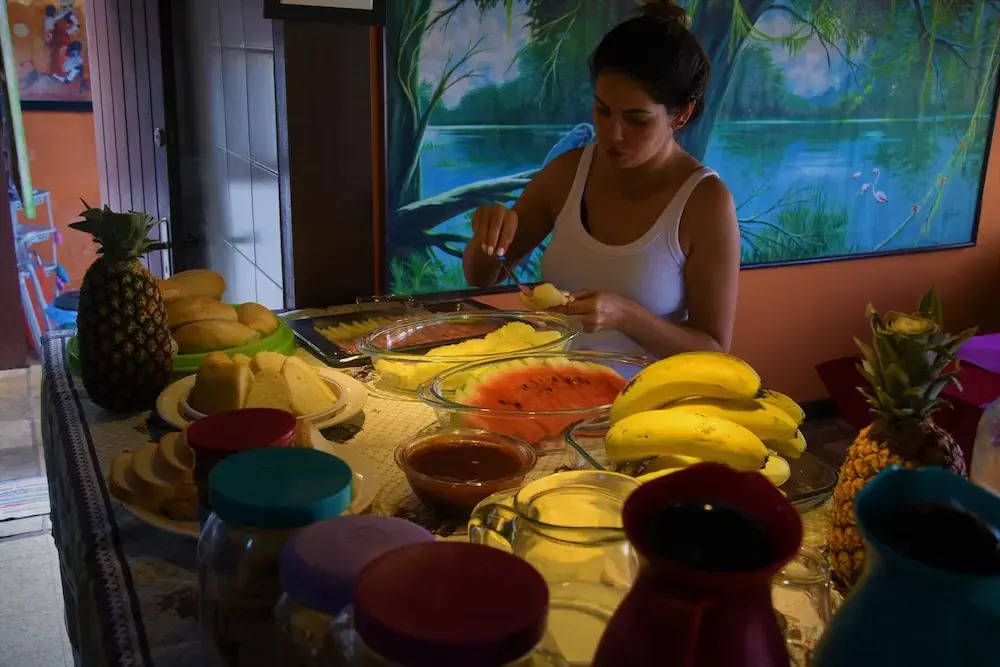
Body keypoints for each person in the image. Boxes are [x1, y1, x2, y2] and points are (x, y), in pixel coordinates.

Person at [462, 0, 740, 359]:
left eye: (636, 119)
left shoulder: (705, 203)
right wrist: (487, 236)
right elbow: (480, 276)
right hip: (553, 381)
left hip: (651, 393)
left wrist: (625, 316)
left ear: (681, 115)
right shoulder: (566, 173)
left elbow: (715, 350)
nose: (612, 134)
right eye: (602, 110)